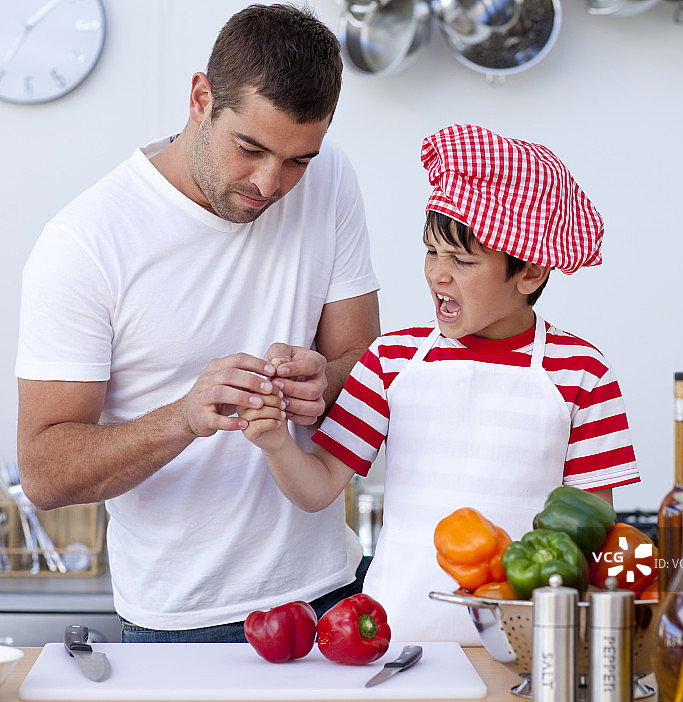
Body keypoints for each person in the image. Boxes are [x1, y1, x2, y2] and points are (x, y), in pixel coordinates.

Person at [15, 4, 380, 643]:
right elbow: (44, 471)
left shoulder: (329, 177)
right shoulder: (86, 244)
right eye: (251, 148)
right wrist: (183, 417)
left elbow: (364, 360)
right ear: (200, 97)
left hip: (334, 593)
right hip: (182, 622)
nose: (272, 183)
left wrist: (324, 383)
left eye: (298, 159)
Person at [237, 123, 640, 644]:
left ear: (531, 273)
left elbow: (594, 531)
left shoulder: (583, 372)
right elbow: (318, 488)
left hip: (530, 642)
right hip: (397, 641)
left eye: (462, 261)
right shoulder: (392, 359)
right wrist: (273, 444)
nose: (437, 275)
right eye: (432, 252)